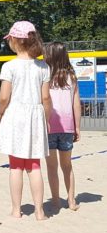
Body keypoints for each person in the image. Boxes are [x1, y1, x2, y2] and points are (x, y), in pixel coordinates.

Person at [0, 21, 52, 220]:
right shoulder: (43, 66)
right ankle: (40, 211)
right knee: (34, 165)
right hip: (35, 116)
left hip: (16, 115)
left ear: (16, 40)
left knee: (16, 166)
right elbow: (46, 98)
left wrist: (1, 113)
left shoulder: (9, 66)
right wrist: (46, 119)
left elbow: (4, 97)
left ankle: (15, 210)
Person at [43, 42, 82, 211]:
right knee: (67, 166)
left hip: (49, 127)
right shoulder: (71, 77)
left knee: (52, 168)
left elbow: (43, 101)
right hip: (67, 127)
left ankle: (56, 201)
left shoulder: (45, 76)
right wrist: (77, 127)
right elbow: (76, 104)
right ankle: (71, 200)